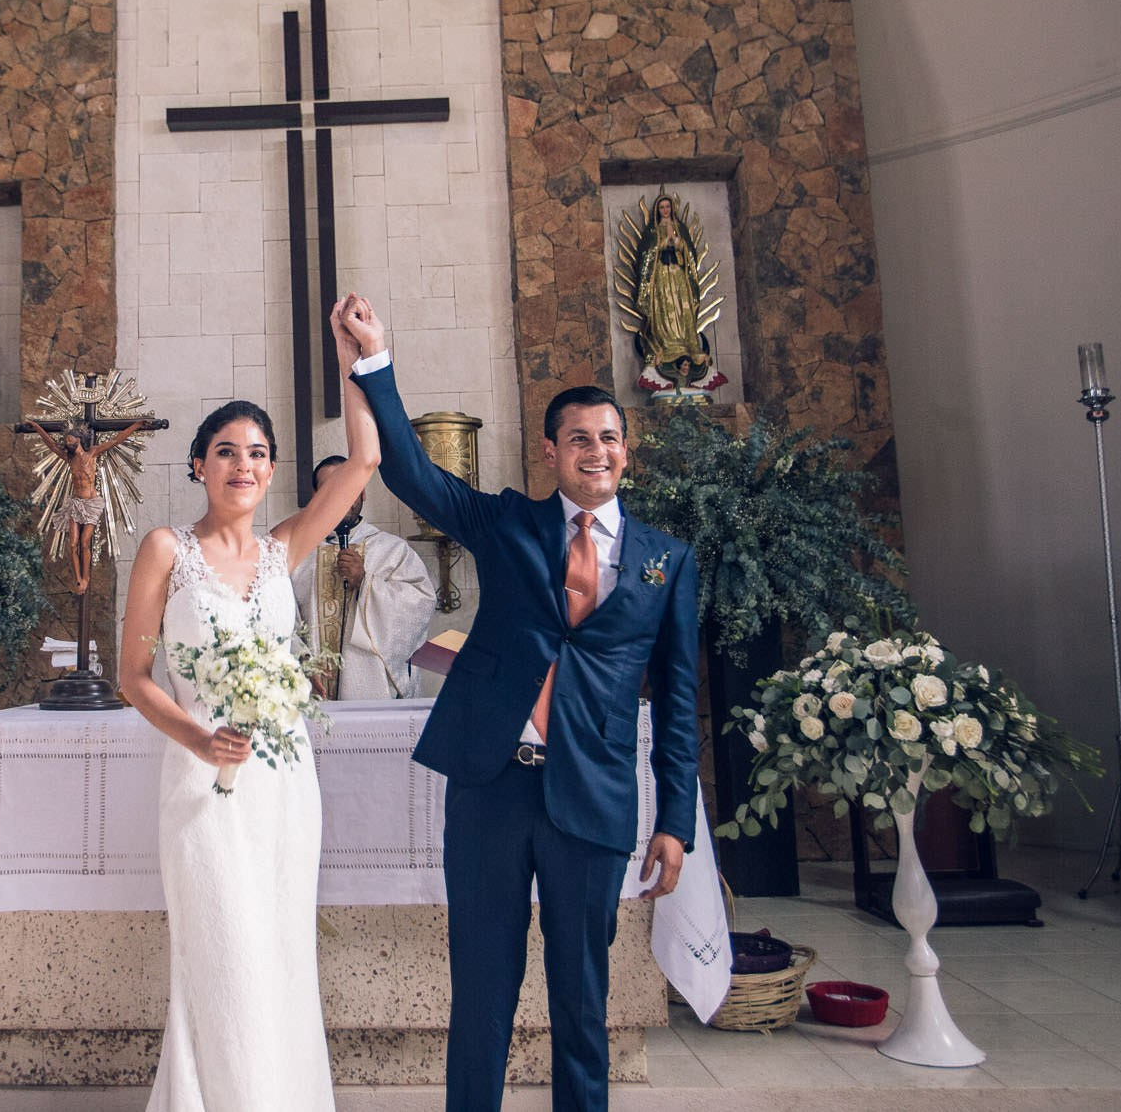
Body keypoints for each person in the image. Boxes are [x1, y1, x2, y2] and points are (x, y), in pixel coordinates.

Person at [339, 294, 699, 1112]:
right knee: (482, 994)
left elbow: (679, 701)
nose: (596, 451)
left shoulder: (667, 562)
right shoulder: (508, 523)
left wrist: (676, 819)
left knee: (582, 1002)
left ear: (626, 450)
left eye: (609, 437)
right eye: (579, 438)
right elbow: (412, 474)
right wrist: (375, 362)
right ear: (551, 451)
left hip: (593, 796)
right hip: (492, 786)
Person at [116, 299, 382, 1112]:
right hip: (201, 783)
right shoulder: (166, 549)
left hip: (281, 783)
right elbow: (134, 676)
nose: (243, 463)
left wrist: (354, 358)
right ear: (198, 465)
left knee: (277, 953)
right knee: (221, 952)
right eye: (226, 451)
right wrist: (199, 738)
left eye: (258, 453)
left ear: (271, 472)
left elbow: (365, 458)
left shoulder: (284, 549)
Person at [290, 454, 436, 699]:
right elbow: (283, 620)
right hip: (310, 693)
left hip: (372, 693)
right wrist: (302, 661)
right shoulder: (298, 554)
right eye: (329, 488)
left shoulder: (392, 551)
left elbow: (421, 605)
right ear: (315, 495)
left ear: (363, 492)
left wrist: (366, 583)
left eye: (348, 486)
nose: (340, 496)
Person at [24, 418, 155, 595]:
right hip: (76, 504)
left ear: (78, 439)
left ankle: (86, 577)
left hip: (91, 504)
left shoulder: (92, 453)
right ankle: (78, 579)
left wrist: (136, 425)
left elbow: (116, 440)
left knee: (85, 542)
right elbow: (52, 445)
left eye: (70, 439)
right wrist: (36, 427)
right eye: (66, 440)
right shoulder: (69, 458)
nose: (67, 442)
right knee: (73, 545)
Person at [639, 191, 711, 385]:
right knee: (665, 308)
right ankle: (667, 342)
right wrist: (661, 245)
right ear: (657, 210)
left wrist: (680, 244)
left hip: (678, 274)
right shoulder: (653, 231)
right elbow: (646, 255)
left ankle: (688, 342)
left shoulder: (681, 228)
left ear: (672, 208)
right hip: (661, 275)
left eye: (667, 207)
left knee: (682, 306)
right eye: (662, 207)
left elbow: (690, 255)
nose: (665, 210)